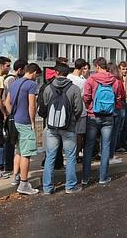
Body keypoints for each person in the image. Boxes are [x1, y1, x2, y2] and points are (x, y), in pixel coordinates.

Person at [41, 63, 84, 194]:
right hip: (69, 127)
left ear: (56, 73)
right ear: (67, 73)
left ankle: (47, 187)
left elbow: (45, 106)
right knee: (70, 157)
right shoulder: (74, 88)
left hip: (52, 127)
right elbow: (79, 109)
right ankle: (70, 186)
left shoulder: (48, 88)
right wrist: (72, 119)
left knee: (50, 156)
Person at [82, 57, 124, 186]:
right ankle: (103, 177)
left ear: (97, 66)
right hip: (108, 116)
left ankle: (85, 178)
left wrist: (91, 107)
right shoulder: (115, 80)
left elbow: (86, 97)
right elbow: (119, 97)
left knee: (88, 146)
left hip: (93, 115)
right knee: (105, 146)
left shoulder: (91, 79)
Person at [4, 63, 42, 195]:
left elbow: (6, 102)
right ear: (34, 73)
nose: (37, 78)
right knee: (26, 153)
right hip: (25, 122)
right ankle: (24, 184)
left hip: (14, 121)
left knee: (18, 150)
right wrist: (32, 121)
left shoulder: (14, 83)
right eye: (37, 76)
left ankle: (16, 177)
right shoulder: (31, 85)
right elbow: (32, 105)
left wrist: (11, 115)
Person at [0, 58, 27, 183]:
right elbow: (9, 98)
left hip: (9, 112)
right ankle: (5, 165)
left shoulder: (11, 79)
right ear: (20, 70)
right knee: (8, 140)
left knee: (8, 139)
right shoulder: (11, 80)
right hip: (9, 113)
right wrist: (8, 113)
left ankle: (5, 164)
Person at [67, 58, 89, 163]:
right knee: (79, 135)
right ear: (82, 68)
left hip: (69, 110)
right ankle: (76, 155)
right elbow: (85, 96)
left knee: (69, 133)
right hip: (81, 110)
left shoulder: (68, 78)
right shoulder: (83, 81)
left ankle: (69, 154)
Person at [107, 62, 126, 164]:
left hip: (104, 110)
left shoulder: (102, 80)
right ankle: (110, 156)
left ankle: (103, 154)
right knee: (114, 134)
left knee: (105, 134)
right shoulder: (117, 81)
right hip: (116, 109)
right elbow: (122, 95)